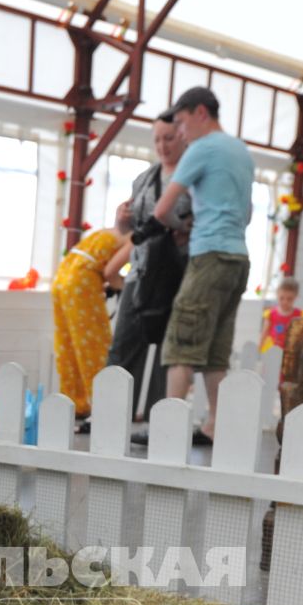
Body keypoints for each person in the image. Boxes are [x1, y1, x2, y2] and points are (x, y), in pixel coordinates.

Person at [150, 86, 255, 442]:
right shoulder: (241, 151)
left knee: (181, 340)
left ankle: (168, 428)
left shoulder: (202, 149)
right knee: (215, 351)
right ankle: (214, 427)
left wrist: (182, 227)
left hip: (209, 254)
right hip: (238, 259)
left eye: (180, 123)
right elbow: (248, 212)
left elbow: (162, 209)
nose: (179, 133)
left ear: (200, 113)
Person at [105, 113, 190, 423]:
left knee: (168, 352)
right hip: (141, 272)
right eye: (157, 139)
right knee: (124, 344)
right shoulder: (144, 179)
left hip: (179, 274)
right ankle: (111, 414)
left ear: (183, 137)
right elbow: (129, 231)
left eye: (168, 138)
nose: (162, 146)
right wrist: (121, 220)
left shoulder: (193, 177)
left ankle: (160, 419)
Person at [49, 224, 122, 418]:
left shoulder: (115, 234)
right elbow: (111, 273)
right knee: (91, 345)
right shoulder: (121, 235)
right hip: (80, 284)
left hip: (63, 279)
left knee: (71, 343)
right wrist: (125, 287)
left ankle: (78, 402)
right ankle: (97, 403)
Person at [259, 275, 303, 353]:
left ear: (296, 297)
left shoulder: (299, 315)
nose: (285, 302)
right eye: (281, 298)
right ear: (277, 295)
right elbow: (264, 333)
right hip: (271, 349)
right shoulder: (271, 314)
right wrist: (259, 349)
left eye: (289, 299)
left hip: (290, 351)